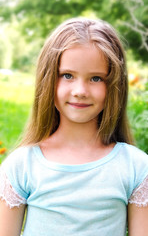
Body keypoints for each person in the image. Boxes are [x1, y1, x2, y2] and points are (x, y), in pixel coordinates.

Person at [0, 17, 148, 236]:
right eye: (67, 75)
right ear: (47, 79)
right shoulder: (22, 165)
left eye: (96, 78)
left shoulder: (136, 167)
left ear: (114, 85)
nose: (80, 90)